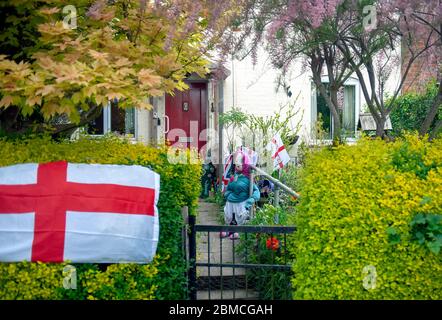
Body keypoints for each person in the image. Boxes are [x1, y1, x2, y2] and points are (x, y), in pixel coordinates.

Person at [221, 149, 260, 240]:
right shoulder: (234, 177)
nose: (237, 165)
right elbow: (229, 188)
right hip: (231, 200)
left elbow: (256, 191)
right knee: (229, 214)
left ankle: (237, 231)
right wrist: (227, 194)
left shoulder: (249, 179)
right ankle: (229, 229)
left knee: (240, 215)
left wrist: (251, 200)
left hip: (242, 201)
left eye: (240, 162)